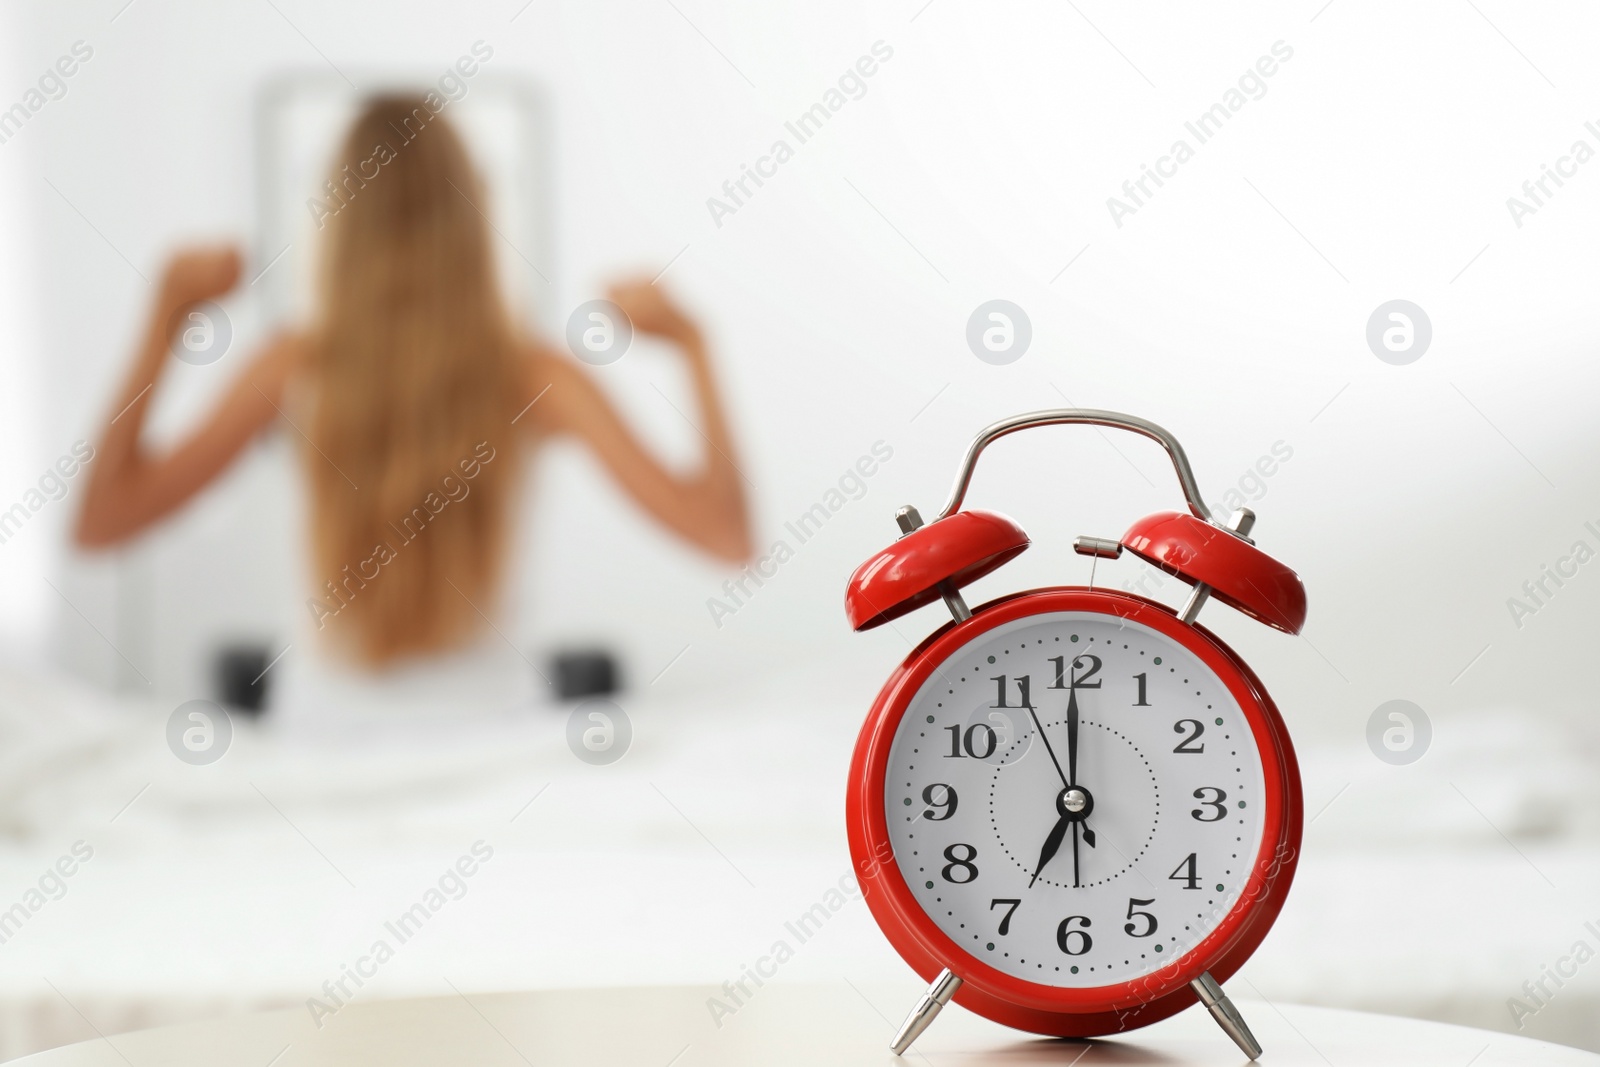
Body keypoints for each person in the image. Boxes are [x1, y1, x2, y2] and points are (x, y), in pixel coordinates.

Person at [74, 95, 751, 708]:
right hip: (497, 740)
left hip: (325, 737)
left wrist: (167, 316)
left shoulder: (290, 369)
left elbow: (102, 519)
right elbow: (726, 535)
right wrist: (692, 342)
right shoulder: (538, 377)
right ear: (473, 213)